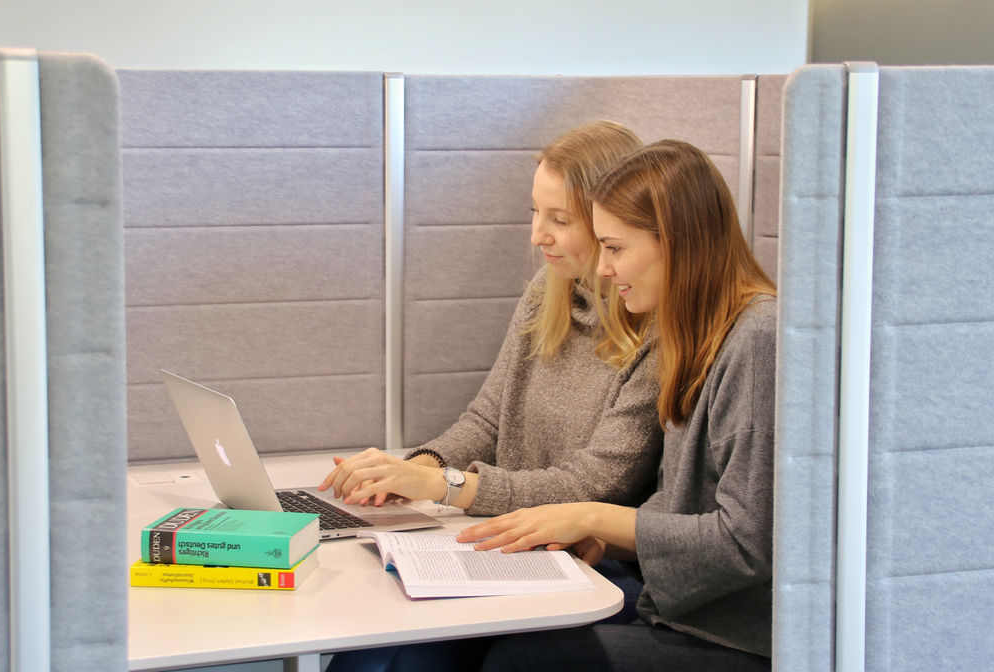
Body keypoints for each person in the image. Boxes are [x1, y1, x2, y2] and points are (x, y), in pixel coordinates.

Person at [321, 123, 662, 672]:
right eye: (535, 212)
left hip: (586, 565)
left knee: (409, 662)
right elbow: (487, 418)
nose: (536, 235)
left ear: (610, 224)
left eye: (559, 219)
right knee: (369, 651)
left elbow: (596, 485)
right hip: (506, 543)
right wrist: (416, 470)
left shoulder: (658, 334)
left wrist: (446, 486)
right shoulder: (546, 293)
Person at [457, 140, 778, 671]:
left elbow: (743, 544)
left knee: (522, 661)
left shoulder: (758, 340)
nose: (603, 270)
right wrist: (600, 535)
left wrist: (594, 517)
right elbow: (680, 514)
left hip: (735, 638)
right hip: (677, 611)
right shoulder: (697, 332)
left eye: (616, 248)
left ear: (675, 244)